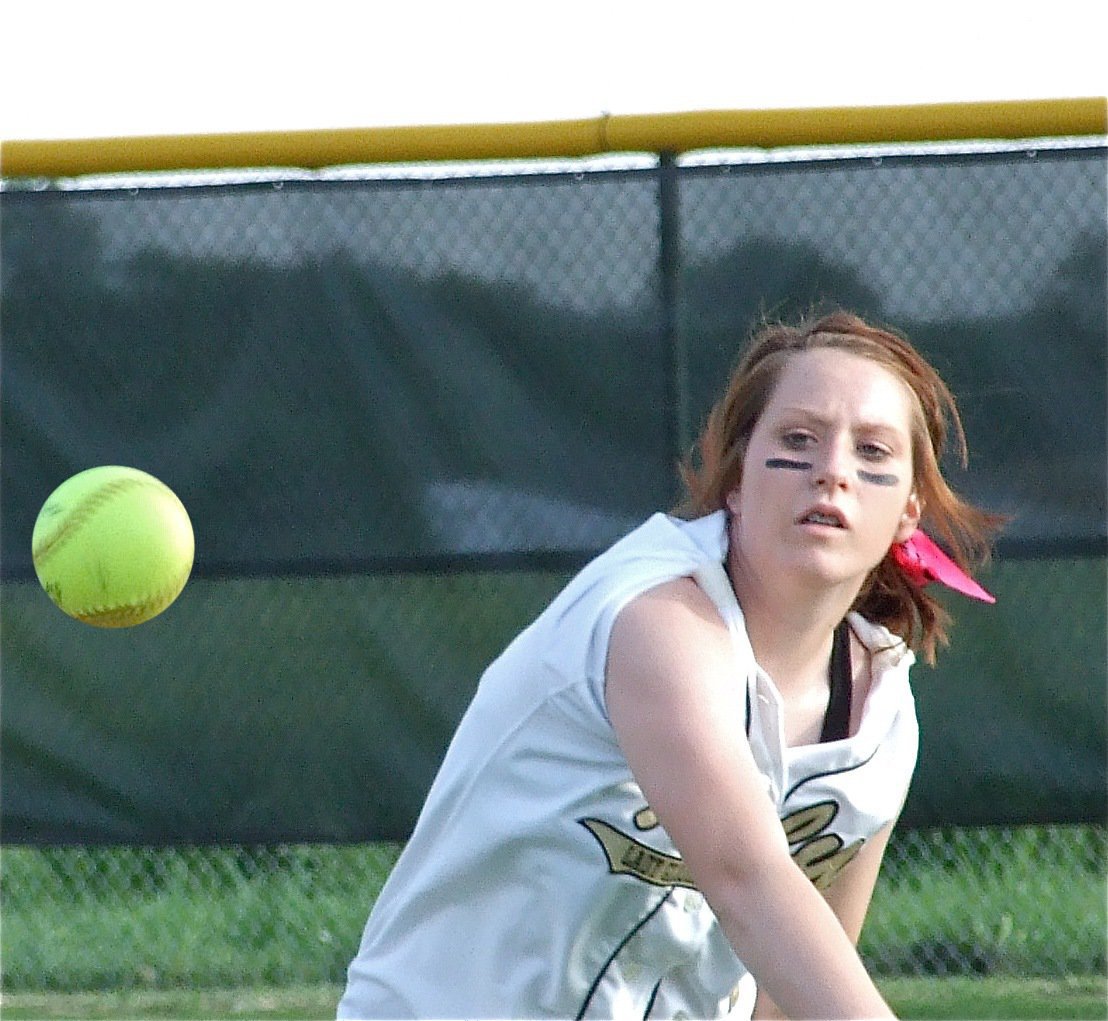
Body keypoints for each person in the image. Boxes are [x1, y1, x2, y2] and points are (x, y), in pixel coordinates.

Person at [338, 310, 1003, 1020]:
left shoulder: (879, 715)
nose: (832, 471)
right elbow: (748, 880)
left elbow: (798, 987)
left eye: (873, 452)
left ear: (909, 513)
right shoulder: (659, 621)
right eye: (797, 439)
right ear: (737, 479)